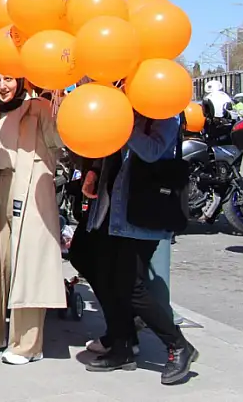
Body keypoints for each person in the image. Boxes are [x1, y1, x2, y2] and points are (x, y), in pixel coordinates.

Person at [78, 115, 198, 385]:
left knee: (132, 286)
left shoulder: (164, 111)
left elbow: (152, 151)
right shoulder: (124, 109)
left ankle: (178, 345)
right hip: (119, 213)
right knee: (113, 279)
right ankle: (121, 347)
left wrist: (124, 126)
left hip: (146, 216)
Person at [0, 70, 66, 365]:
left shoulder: (40, 108)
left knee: (28, 266)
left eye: (9, 78)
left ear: (22, 80)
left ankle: (28, 344)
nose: (2, 86)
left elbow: (60, 146)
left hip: (32, 195)